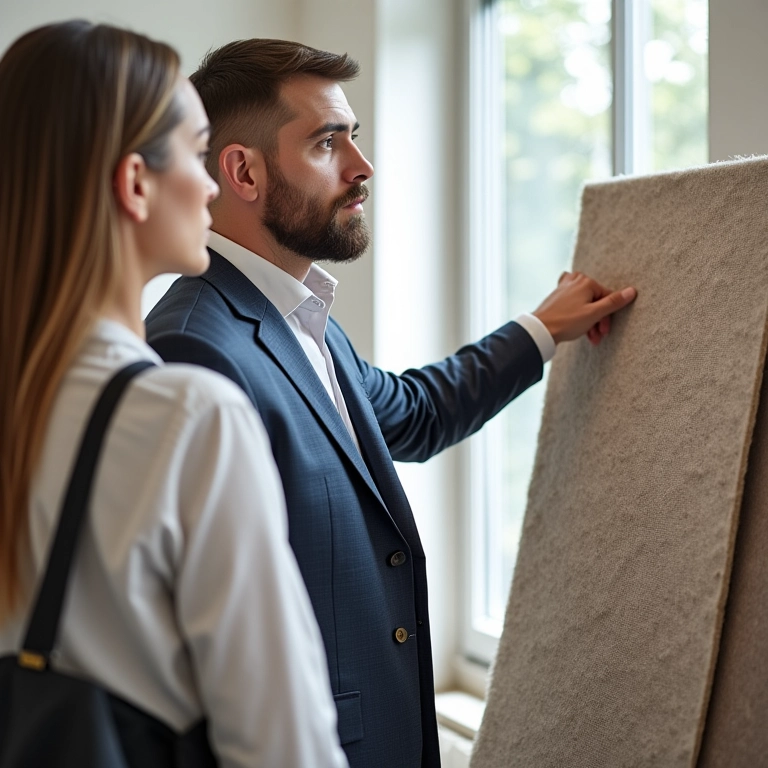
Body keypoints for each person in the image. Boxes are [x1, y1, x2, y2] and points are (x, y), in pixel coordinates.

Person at [144, 38, 637, 768]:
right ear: (243, 171)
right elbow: (201, 642)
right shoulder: (196, 349)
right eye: (326, 142)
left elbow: (412, 411)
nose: (361, 166)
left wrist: (540, 329)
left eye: (354, 136)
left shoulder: (301, 318)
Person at [0, 22, 348, 768]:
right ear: (135, 184)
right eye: (196, 154)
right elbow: (283, 746)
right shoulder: (185, 416)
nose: (213, 186)